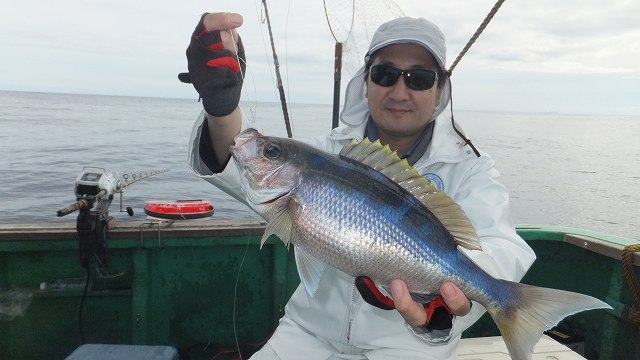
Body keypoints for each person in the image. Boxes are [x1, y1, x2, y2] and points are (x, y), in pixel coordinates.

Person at [183, 12, 536, 360]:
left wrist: (437, 303)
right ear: (365, 81)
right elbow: (236, 166)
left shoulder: (471, 167)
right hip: (305, 335)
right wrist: (221, 108)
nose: (400, 91)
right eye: (385, 74)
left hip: (409, 347)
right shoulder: (327, 151)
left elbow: (502, 246)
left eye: (419, 78)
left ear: (440, 89)